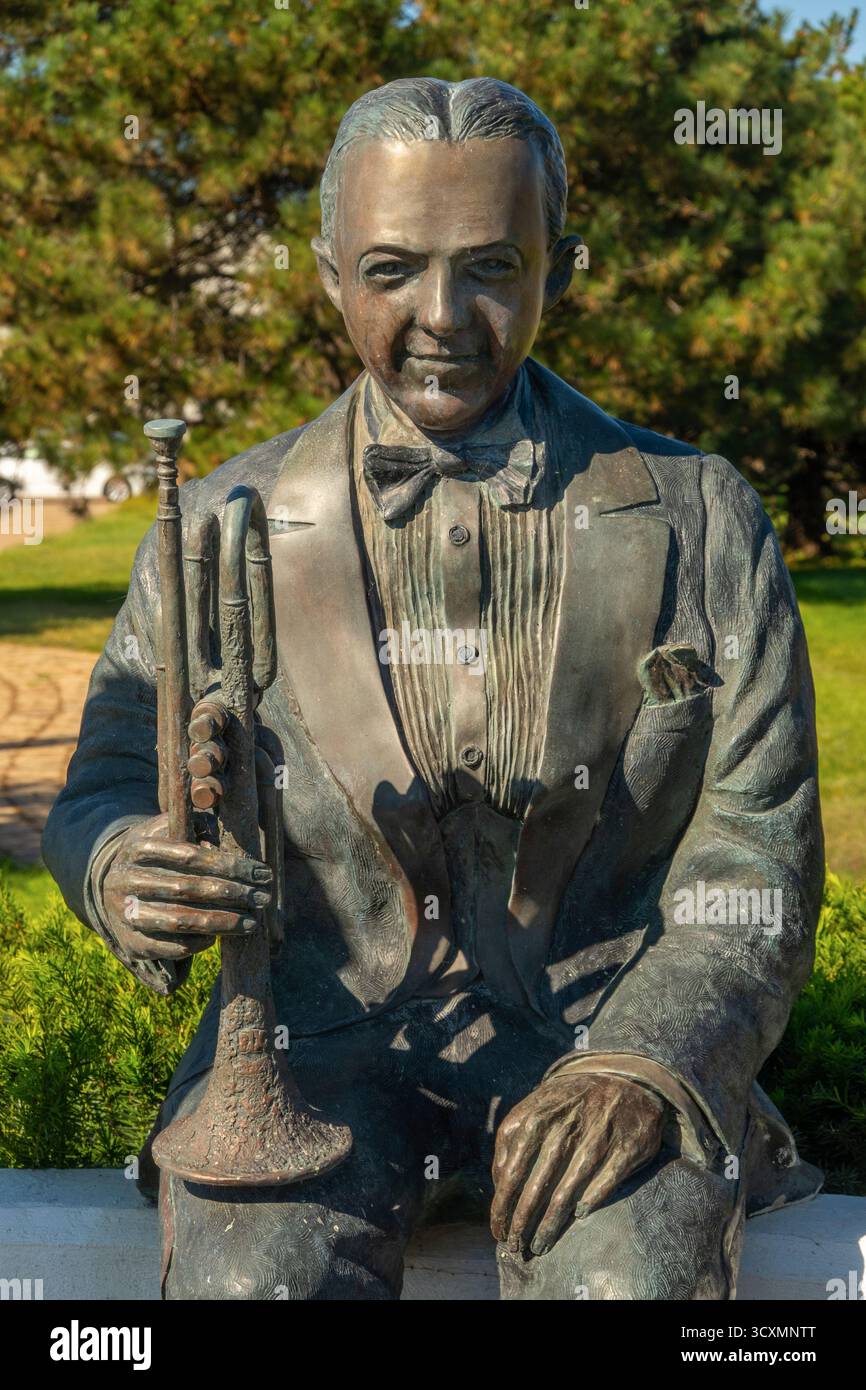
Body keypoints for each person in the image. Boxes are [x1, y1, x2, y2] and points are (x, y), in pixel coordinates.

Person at [44, 76, 824, 1300]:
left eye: (492, 267)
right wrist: (125, 865)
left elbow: (756, 857)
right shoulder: (214, 525)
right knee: (253, 1287)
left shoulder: (702, 516)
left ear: (559, 268)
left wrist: (646, 1059)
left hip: (601, 1040)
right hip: (307, 1055)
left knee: (626, 1286)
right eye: (392, 268)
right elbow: (99, 784)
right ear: (326, 271)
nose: (441, 315)